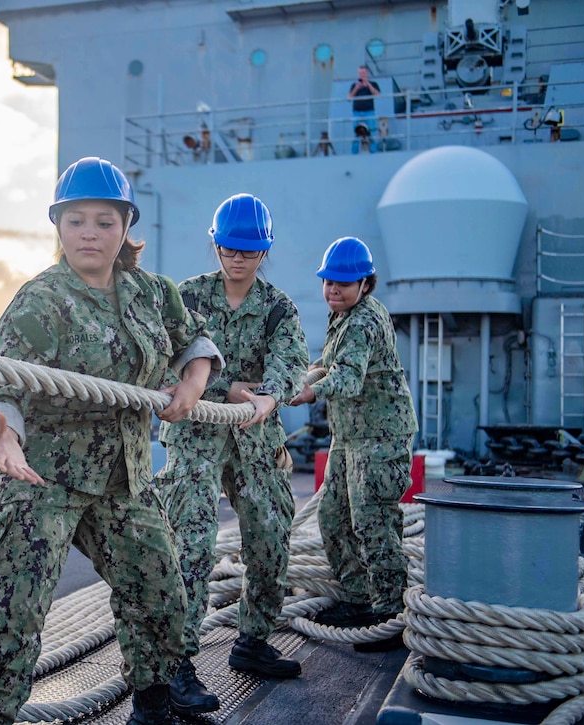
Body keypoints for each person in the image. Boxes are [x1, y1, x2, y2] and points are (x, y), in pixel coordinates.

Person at [0, 156, 224, 725]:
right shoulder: (40, 301)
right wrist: (6, 441)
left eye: (103, 220)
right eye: (75, 221)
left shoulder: (151, 294)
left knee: (160, 590)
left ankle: (153, 701)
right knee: (16, 604)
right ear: (58, 227)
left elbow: (194, 344)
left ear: (125, 227)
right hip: (45, 473)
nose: (89, 233)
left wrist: (192, 385)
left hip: (125, 476)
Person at [156, 194, 309, 716]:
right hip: (197, 435)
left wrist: (267, 396)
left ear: (264, 251)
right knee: (191, 543)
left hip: (256, 436)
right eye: (229, 247)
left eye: (248, 250)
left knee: (270, 536)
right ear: (215, 244)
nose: (237, 257)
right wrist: (232, 388)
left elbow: (290, 363)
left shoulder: (278, 308)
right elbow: (163, 359)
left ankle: (253, 640)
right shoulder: (187, 298)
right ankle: (177, 661)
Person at [291, 237, 417, 652]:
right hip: (350, 435)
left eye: (343, 284)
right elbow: (331, 363)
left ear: (365, 283)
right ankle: (358, 598)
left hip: (380, 437)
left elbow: (347, 378)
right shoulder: (344, 316)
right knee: (333, 517)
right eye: (328, 282)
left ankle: (390, 614)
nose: (333, 290)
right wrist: (303, 376)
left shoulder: (362, 321)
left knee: (372, 521)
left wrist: (308, 394)